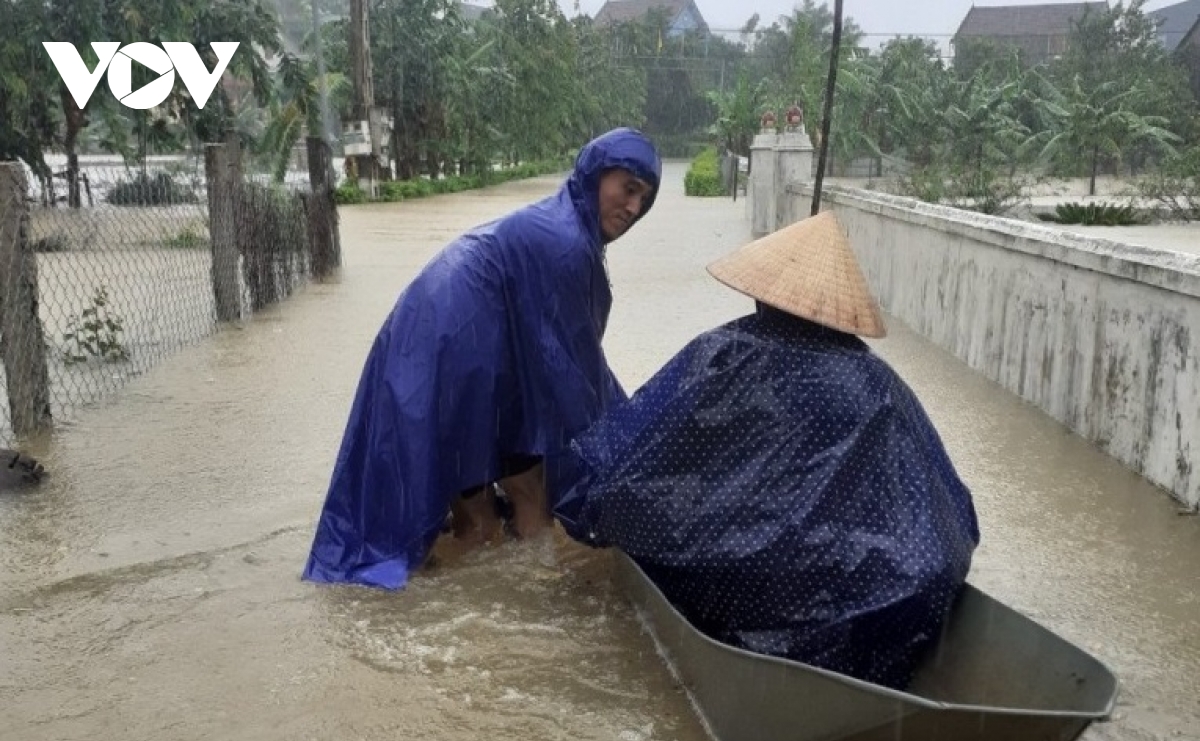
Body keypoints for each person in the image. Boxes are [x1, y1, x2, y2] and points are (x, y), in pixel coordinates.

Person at [554, 212, 980, 691]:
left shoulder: (723, 355)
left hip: (751, 580)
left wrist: (596, 509)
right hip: (886, 592)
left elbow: (646, 453)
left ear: (762, 293)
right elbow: (948, 508)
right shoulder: (881, 383)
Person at [303, 128, 662, 590]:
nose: (633, 207)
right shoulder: (567, 243)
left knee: (522, 490)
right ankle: (517, 608)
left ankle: (501, 587)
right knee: (484, 524)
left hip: (470, 352)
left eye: (644, 199)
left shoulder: (565, 223)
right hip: (450, 355)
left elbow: (570, 364)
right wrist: (631, 450)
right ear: (595, 175)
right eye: (627, 188)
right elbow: (576, 382)